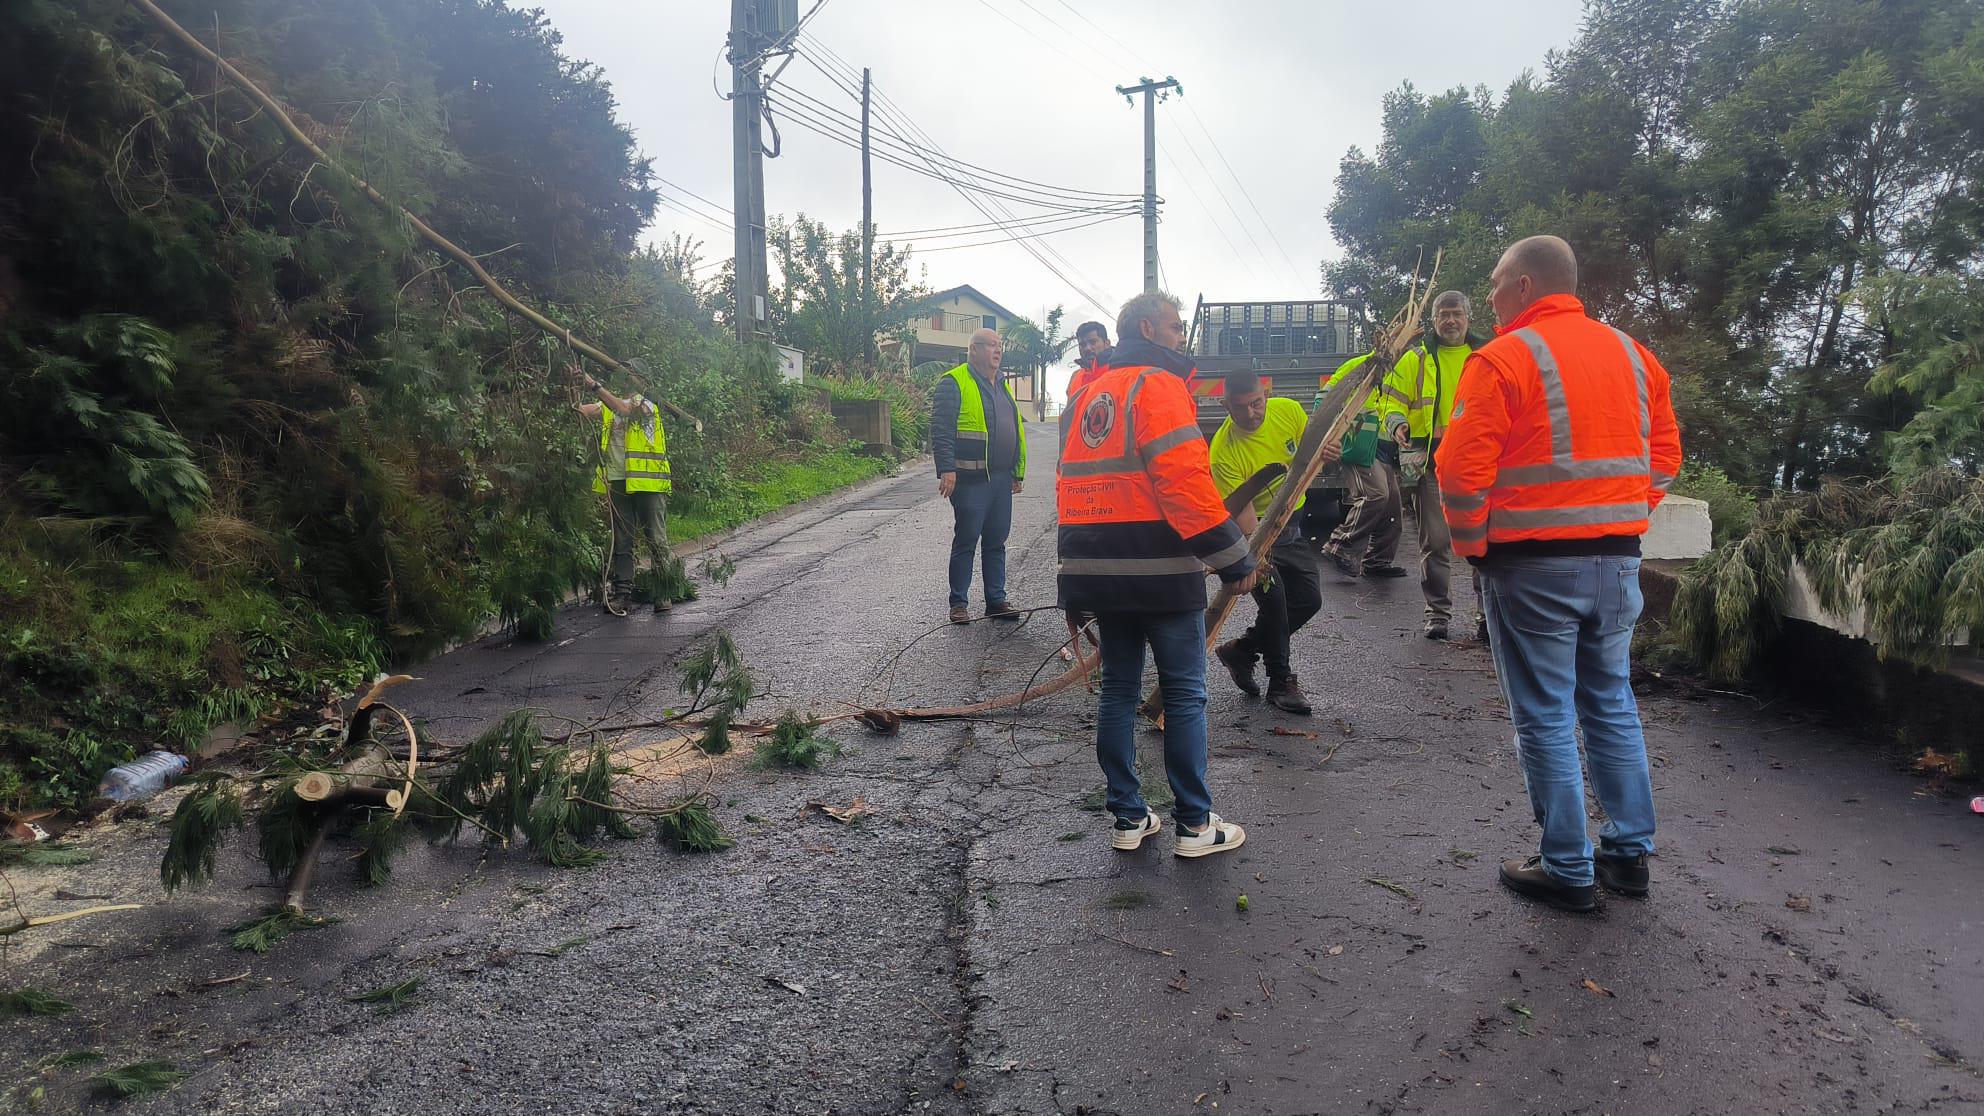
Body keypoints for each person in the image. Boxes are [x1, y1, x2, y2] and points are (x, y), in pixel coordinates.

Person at [1437, 234, 1682, 913]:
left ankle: (1567, 866)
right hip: (1619, 562)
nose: (1486, 297)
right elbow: (1664, 455)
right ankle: (1628, 854)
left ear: (1524, 286)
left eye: (1494, 283)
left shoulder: (1503, 358)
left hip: (1531, 566)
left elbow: (1459, 469)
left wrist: (1473, 546)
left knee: (1544, 713)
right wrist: (1626, 512)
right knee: (1610, 702)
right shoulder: (1635, 355)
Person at [1059, 290, 1257, 858]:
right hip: (1161, 569)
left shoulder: (1084, 396)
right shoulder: (1159, 387)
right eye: (1174, 327)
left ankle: (1128, 816)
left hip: (1096, 569)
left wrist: (1072, 577)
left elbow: (1066, 488)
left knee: (1118, 691)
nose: (1180, 336)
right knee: (1186, 693)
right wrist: (1234, 560)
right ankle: (1195, 825)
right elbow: (1185, 483)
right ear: (1148, 328)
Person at [1207, 369, 1322, 715]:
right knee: (1274, 604)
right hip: (1256, 533)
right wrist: (1255, 556)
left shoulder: (1288, 410)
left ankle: (1242, 649)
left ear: (1266, 394)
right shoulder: (1223, 453)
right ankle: (1280, 682)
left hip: (1293, 521)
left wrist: (1326, 450)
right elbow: (1244, 519)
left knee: (1309, 600)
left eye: (1257, 403)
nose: (1252, 413)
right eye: (1241, 407)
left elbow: (1311, 450)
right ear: (1226, 404)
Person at [1382, 291, 1477, 639]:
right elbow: (1390, 400)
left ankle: (1487, 617)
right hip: (1432, 464)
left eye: (1456, 314)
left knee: (1483, 541)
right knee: (1435, 541)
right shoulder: (1416, 360)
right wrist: (1396, 423)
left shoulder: (1484, 357)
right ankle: (1438, 613)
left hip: (1479, 465)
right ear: (1434, 320)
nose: (1450, 321)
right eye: (1443, 315)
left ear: (1468, 318)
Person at [933, 328, 1027, 625]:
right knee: (967, 539)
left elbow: (1014, 428)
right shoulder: (954, 382)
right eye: (991, 346)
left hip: (1000, 478)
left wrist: (1017, 471)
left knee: (996, 541)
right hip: (971, 479)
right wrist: (947, 469)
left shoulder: (1001, 384)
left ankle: (996, 600)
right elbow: (942, 429)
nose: (998, 351)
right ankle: (958, 603)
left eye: (1000, 346)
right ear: (974, 349)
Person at [573, 365, 672, 618]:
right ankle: (622, 594)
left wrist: (593, 384)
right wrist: (573, 389)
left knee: (655, 538)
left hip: (647, 482)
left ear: (641, 379)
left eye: (631, 374)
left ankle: (664, 591)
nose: (627, 378)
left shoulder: (647, 404)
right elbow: (583, 411)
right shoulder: (608, 404)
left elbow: (624, 410)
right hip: (618, 480)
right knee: (622, 539)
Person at [1316, 352, 1406, 580]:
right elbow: (1325, 398)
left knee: (1393, 509)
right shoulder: (1361, 365)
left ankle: (1377, 561)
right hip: (1360, 443)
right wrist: (1330, 437)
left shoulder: (1407, 366)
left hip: (1385, 445)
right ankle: (1339, 545)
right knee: (1375, 495)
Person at [1068, 320, 1111, 399]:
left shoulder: (1116, 372)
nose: (1087, 348)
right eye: (1083, 344)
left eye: (1093, 342)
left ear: (1107, 344)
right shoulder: (1075, 377)